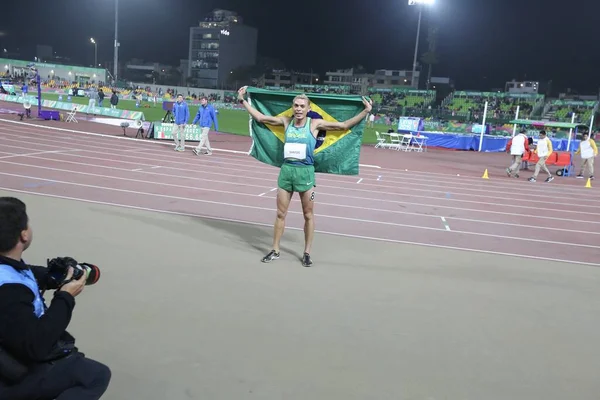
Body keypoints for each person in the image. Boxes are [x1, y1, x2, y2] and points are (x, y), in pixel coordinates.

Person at [237, 86, 372, 267]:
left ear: (308, 109)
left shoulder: (314, 124)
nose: (299, 109)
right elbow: (260, 118)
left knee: (308, 214)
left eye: (302, 106)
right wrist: (242, 100)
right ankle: (275, 250)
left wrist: (366, 111)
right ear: (292, 107)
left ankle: (307, 253)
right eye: (296, 106)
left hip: (306, 173)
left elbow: (343, 126)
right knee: (280, 213)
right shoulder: (286, 122)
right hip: (286, 172)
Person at [0, 197, 111, 399]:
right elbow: (36, 345)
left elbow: (26, 273)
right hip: (11, 374)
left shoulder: (8, 270)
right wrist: (65, 297)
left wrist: (54, 276)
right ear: (23, 235)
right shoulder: (10, 290)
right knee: (95, 375)